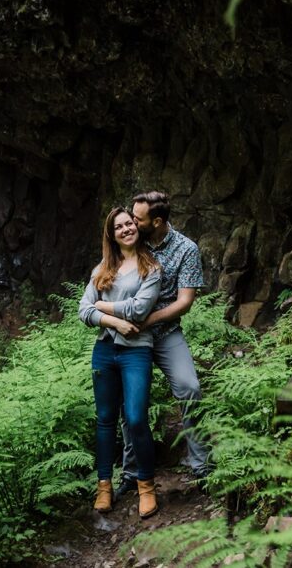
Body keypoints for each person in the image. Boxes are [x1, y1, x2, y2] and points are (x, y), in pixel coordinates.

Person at [117, 190, 211, 499]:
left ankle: (202, 466)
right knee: (130, 404)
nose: (131, 222)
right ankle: (130, 473)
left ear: (156, 222)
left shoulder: (186, 249)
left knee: (190, 387)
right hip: (131, 334)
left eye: (138, 218)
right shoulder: (131, 241)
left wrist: (150, 319)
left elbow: (185, 302)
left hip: (166, 332)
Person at [78, 207, 162, 518]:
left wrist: (102, 306)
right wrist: (115, 323)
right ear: (111, 235)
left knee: (137, 417)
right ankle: (104, 487)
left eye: (129, 223)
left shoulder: (150, 268)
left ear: (136, 227)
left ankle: (146, 486)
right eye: (119, 227)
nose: (126, 229)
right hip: (104, 350)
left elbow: (140, 310)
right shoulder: (102, 268)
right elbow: (83, 311)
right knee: (105, 420)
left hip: (136, 351)